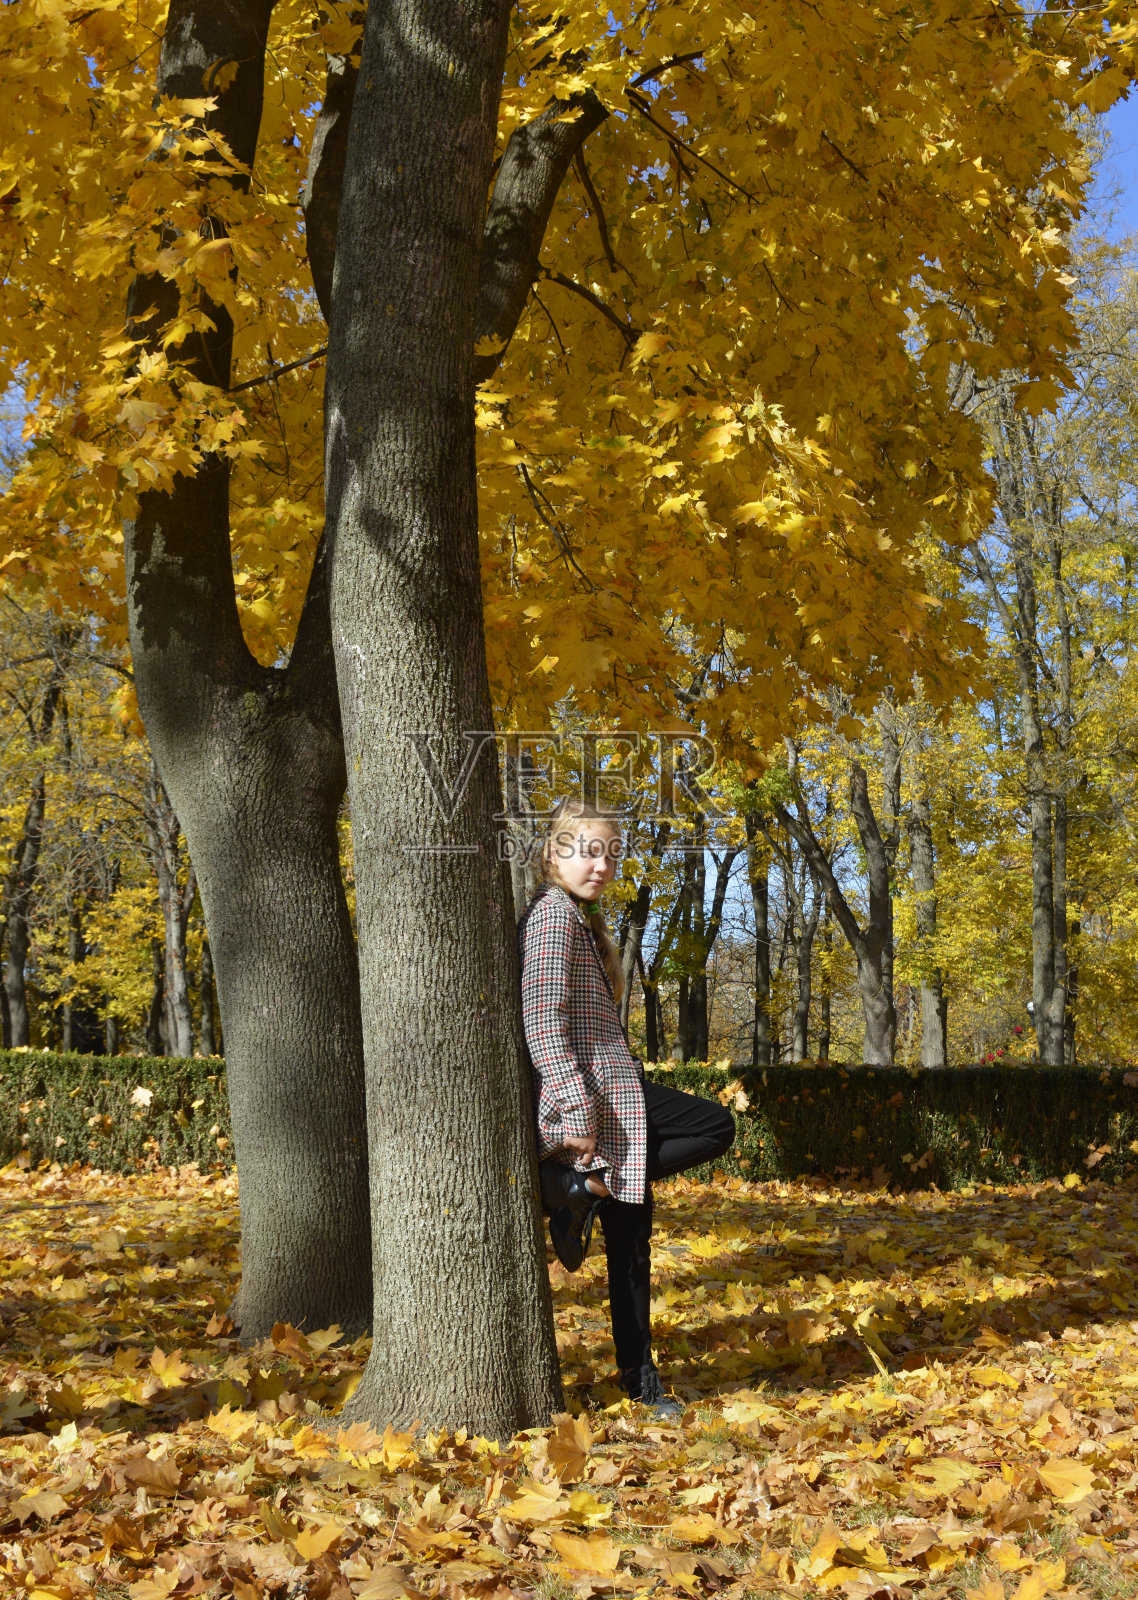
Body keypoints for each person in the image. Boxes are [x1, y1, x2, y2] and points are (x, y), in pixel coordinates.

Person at [516, 796, 736, 1420]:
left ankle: (640, 1383)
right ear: (553, 853)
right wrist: (576, 1111)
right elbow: (543, 1022)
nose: (601, 866)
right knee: (716, 1124)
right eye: (588, 852)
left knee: (632, 1251)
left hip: (620, 1105)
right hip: (598, 1103)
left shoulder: (579, 920)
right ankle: (577, 1185)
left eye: (611, 855)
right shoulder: (552, 918)